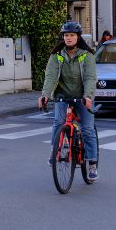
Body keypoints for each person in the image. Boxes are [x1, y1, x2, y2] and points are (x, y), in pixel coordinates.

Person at [39, 21, 99, 181]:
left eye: (72, 35)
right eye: (66, 35)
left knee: (87, 129)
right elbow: (51, 76)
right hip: (63, 96)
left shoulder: (87, 55)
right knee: (58, 122)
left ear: (78, 37)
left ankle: (92, 163)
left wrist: (88, 96)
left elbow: (90, 77)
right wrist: (45, 94)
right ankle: (54, 152)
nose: (69, 38)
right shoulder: (57, 54)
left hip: (82, 97)